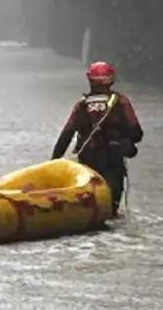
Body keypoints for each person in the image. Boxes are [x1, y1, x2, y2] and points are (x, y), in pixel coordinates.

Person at [51, 61, 143, 217]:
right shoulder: (120, 102)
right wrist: (123, 139)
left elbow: (66, 135)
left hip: (88, 159)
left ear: (90, 80)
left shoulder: (82, 105)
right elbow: (137, 133)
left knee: (89, 204)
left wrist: (54, 161)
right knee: (111, 210)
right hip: (113, 159)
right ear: (111, 79)